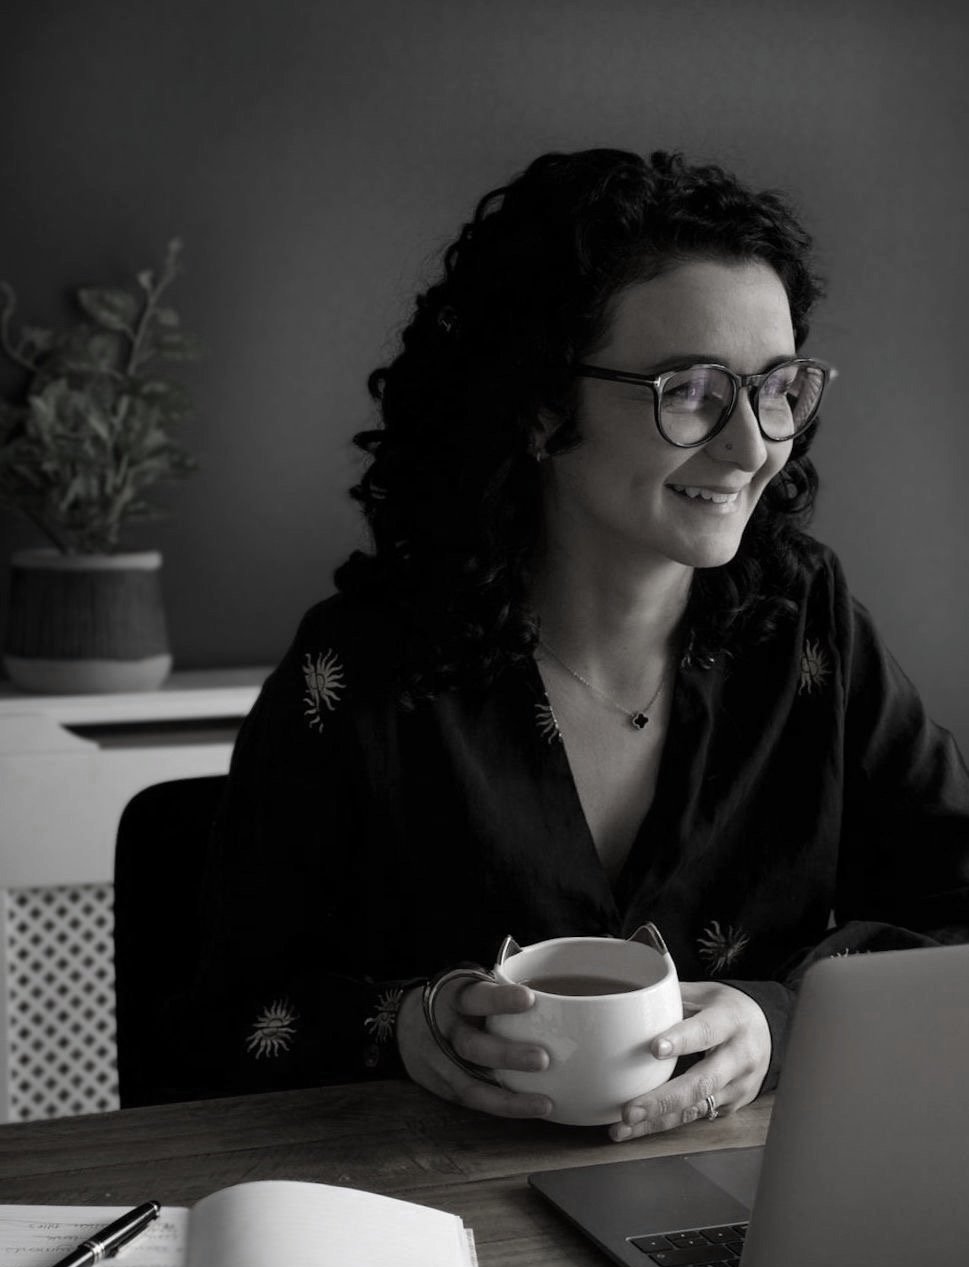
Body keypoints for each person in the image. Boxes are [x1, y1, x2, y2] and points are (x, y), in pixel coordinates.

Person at [197, 148, 969, 1140]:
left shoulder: (802, 622)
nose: (753, 446)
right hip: (431, 1223)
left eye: (778, 387)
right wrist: (403, 1024)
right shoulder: (365, 666)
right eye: (689, 390)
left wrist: (783, 1020)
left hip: (735, 1211)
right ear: (539, 406)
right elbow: (218, 1023)